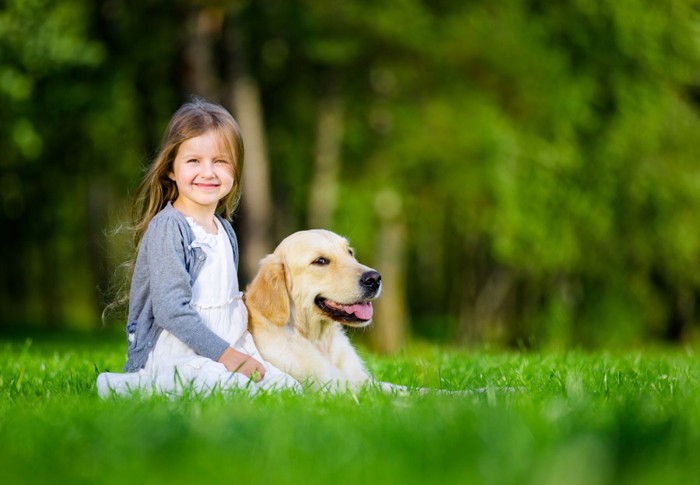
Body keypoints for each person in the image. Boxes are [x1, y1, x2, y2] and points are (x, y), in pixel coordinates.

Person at [97, 98, 299, 396]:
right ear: (171, 169)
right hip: (179, 349)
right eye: (194, 161)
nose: (208, 172)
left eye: (220, 161)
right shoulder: (169, 228)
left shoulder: (224, 229)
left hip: (227, 343)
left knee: (287, 387)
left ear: (235, 170)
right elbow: (170, 312)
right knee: (229, 388)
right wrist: (228, 357)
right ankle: (128, 386)